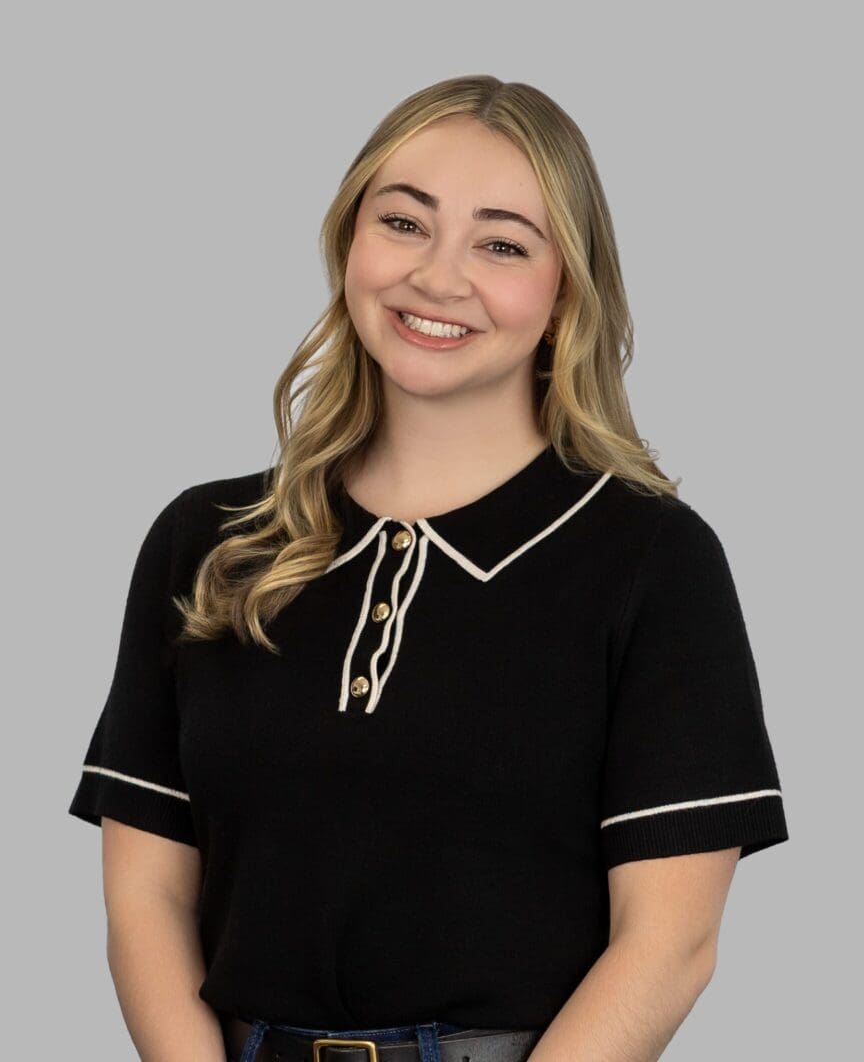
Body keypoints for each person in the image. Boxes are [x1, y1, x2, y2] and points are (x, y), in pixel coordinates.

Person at [68, 74, 789, 1062]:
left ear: (565, 289)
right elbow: (147, 895)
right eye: (404, 223)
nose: (437, 277)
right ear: (349, 242)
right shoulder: (211, 539)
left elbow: (671, 945)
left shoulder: (651, 561)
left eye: (500, 243)